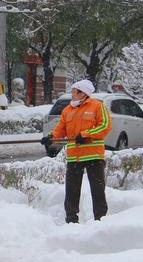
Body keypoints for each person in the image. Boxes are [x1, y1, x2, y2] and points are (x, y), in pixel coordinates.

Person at [40, 79, 112, 223]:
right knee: (71, 191)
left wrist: (86, 135)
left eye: (74, 91)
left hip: (93, 155)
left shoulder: (97, 106)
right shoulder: (67, 110)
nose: (71, 94)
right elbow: (60, 129)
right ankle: (71, 220)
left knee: (97, 190)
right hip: (74, 157)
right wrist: (51, 138)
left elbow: (105, 126)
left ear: (83, 93)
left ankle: (101, 219)